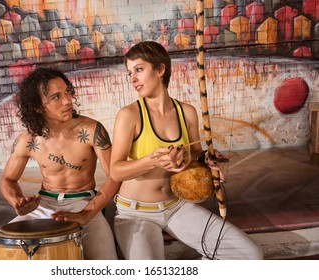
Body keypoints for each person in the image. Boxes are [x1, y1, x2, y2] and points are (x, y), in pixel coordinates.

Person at [110, 41, 264, 260]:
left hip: (176, 206)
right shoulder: (129, 115)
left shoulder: (187, 112)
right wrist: (152, 161)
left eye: (139, 69)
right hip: (135, 212)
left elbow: (195, 154)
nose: (133, 79)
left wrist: (206, 160)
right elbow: (115, 171)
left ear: (160, 69)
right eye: (129, 73)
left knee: (249, 255)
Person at [0, 67, 120, 260]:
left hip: (83, 202)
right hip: (42, 205)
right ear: (38, 106)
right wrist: (17, 201)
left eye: (67, 92)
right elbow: (8, 179)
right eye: (56, 97)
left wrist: (88, 212)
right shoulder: (28, 140)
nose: (68, 100)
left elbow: (115, 176)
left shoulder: (91, 130)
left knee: (106, 262)